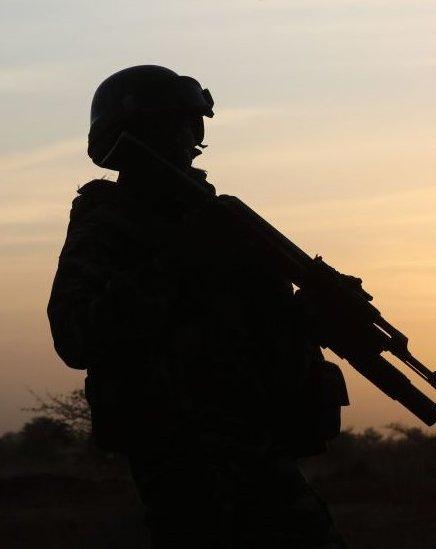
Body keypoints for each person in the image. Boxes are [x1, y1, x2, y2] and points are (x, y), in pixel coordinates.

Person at [47, 65, 348, 548]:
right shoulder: (111, 220)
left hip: (258, 441)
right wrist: (178, 259)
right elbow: (75, 333)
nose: (190, 137)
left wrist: (311, 313)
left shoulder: (220, 218)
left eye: (194, 124)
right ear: (133, 133)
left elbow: (255, 321)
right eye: (175, 124)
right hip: (182, 452)